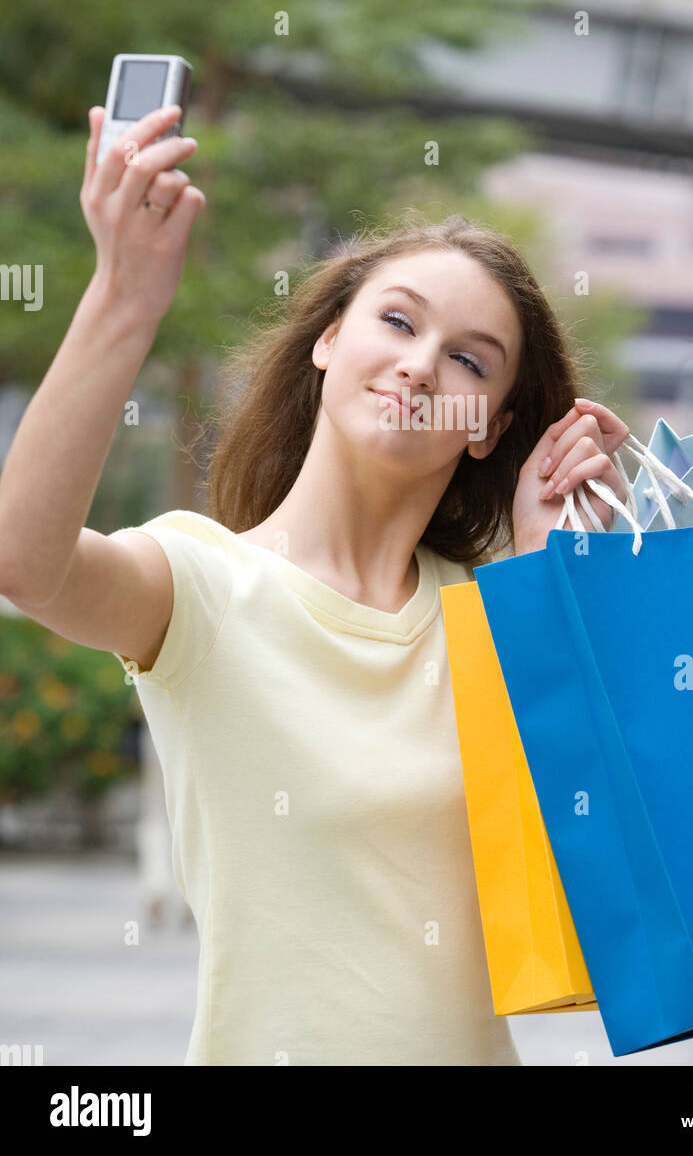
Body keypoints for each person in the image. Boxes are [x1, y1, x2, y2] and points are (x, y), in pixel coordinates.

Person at [0, 104, 632, 1066]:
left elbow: (603, 882)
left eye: (468, 358)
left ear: (488, 429)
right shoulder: (204, 588)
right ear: (328, 341)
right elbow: (26, 562)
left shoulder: (492, 619)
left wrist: (557, 584)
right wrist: (124, 297)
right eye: (396, 321)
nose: (421, 364)